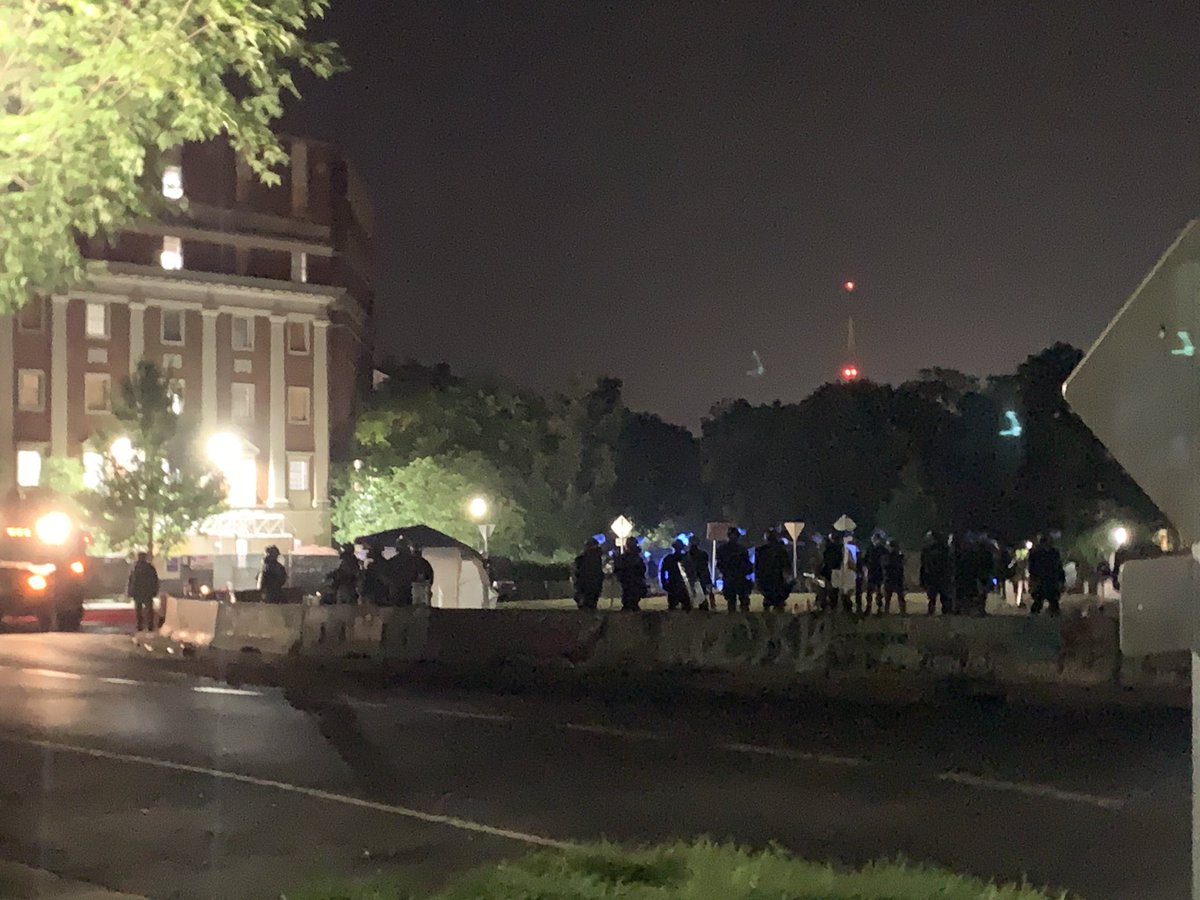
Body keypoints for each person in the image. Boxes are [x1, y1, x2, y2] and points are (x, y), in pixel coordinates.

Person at [716, 527, 753, 613]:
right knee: (735, 600)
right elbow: (720, 563)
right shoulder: (739, 549)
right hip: (734, 577)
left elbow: (720, 564)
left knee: (738, 600)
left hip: (735, 577)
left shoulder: (739, 549)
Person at [1028, 533, 1065, 616]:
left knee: (1052, 598)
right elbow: (1032, 567)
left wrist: (1061, 579)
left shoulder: (1053, 553)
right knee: (1039, 598)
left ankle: (1052, 612)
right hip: (1042, 578)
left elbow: (1058, 566)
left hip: (1050, 578)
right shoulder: (1037, 553)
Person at [755, 529, 791, 611]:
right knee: (778, 600)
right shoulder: (780, 550)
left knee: (769, 599)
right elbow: (786, 566)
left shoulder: (761, 551)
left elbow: (757, 567)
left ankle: (768, 615)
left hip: (766, 579)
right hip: (776, 579)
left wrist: (758, 579)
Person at [920, 531, 953, 615]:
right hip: (942, 576)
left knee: (932, 597)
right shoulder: (945, 549)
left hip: (931, 576)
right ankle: (946, 613)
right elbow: (949, 563)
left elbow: (923, 565)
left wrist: (922, 578)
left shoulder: (926, 550)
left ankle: (931, 611)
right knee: (944, 597)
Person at [127, 551, 160, 632]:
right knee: (149, 609)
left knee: (139, 610)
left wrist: (130, 591)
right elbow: (155, 580)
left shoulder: (135, 568)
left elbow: (131, 581)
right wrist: (155, 591)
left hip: (138, 592)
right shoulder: (150, 568)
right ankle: (150, 625)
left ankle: (140, 625)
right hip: (147, 592)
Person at [660, 539, 696, 611]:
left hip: (680, 584)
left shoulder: (680, 558)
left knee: (684, 606)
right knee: (678, 606)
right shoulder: (673, 558)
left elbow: (691, 571)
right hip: (676, 584)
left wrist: (664, 583)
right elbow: (662, 572)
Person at [613, 537, 647, 611]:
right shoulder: (636, 558)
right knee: (630, 598)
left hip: (630, 582)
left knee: (630, 597)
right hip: (631, 582)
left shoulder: (627, 558)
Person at [573, 538, 605, 610]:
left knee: (587, 603)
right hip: (592, 583)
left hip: (586, 583)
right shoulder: (597, 557)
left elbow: (578, 571)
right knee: (591, 603)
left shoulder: (584, 558)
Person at [819, 531, 846, 611]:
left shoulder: (828, 548)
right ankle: (833, 604)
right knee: (834, 589)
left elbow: (824, 558)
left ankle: (825, 604)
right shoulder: (839, 548)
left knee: (826, 588)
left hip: (828, 570)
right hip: (836, 570)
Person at [863, 533, 887, 614]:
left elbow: (886, 559)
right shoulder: (870, 549)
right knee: (869, 591)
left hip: (879, 571)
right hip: (871, 572)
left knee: (878, 591)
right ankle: (868, 607)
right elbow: (865, 560)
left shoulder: (882, 549)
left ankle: (879, 607)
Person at [687, 539, 714, 609]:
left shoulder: (701, 554)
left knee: (704, 590)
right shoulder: (688, 555)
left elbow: (704, 565)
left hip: (701, 575)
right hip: (695, 576)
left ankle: (706, 603)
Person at [883, 540, 906, 615]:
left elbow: (901, 565)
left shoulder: (896, 555)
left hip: (894, 577)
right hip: (891, 577)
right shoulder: (888, 556)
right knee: (889, 596)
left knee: (898, 595)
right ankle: (887, 610)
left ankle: (902, 611)